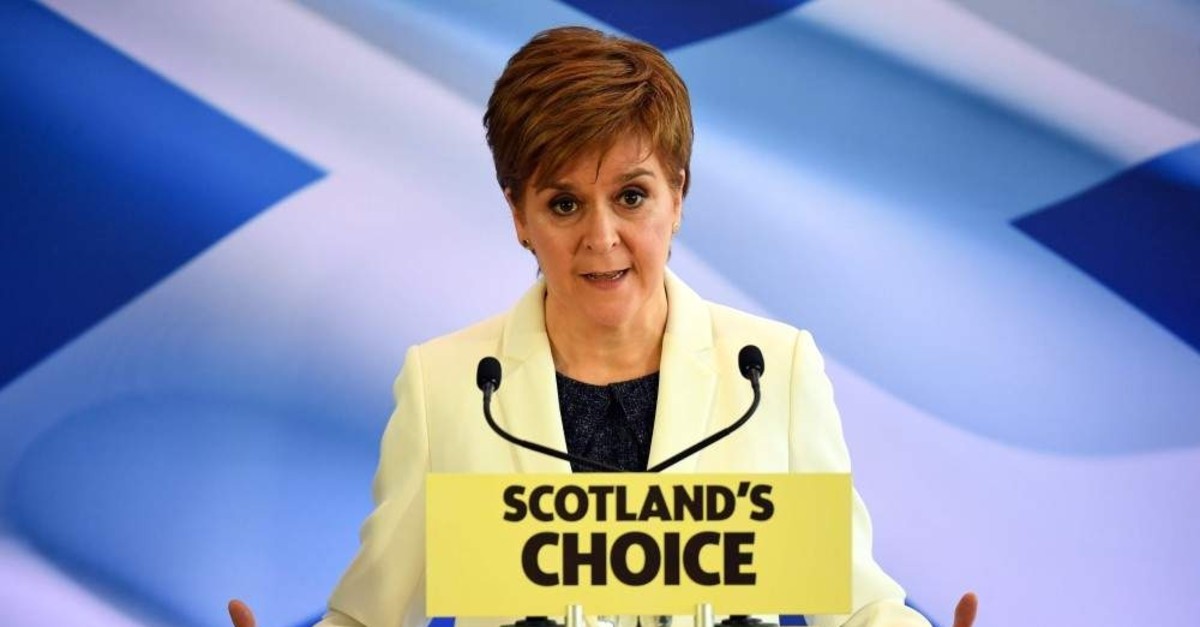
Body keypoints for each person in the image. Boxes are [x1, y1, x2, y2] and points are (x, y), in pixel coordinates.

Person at [229, 26, 978, 627]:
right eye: (563, 204)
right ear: (519, 214)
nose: (602, 237)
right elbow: (375, 614)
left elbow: (851, 601)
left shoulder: (770, 372)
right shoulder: (449, 386)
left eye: (631, 195)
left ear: (677, 196)